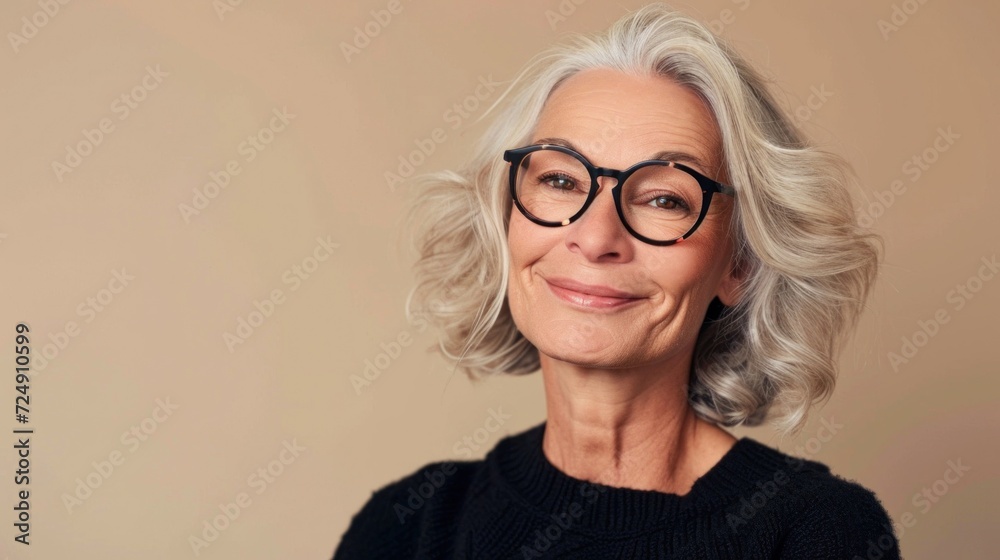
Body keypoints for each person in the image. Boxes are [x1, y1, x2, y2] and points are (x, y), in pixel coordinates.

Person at [334, 3, 900, 558]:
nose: (595, 235)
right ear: (504, 216)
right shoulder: (407, 525)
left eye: (663, 198)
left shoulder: (815, 533)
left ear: (740, 265)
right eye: (559, 179)